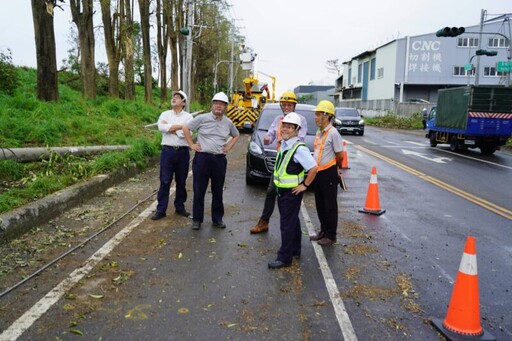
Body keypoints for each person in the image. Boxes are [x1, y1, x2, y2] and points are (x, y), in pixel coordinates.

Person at [250, 91, 308, 234]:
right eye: (284, 105)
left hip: (292, 161)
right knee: (271, 191)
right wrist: (267, 139)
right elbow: (270, 134)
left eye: (289, 105)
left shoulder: (300, 120)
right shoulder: (278, 120)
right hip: (280, 160)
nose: (287, 107)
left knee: (290, 200)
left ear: (294, 105)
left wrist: (285, 138)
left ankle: (292, 231)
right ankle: (264, 222)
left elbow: (300, 137)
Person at [182, 92, 240, 230]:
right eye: (216, 103)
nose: (219, 106)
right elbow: (186, 128)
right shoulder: (202, 118)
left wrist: (228, 147)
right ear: (212, 104)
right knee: (199, 190)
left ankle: (217, 219)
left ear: (225, 107)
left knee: (218, 190)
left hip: (219, 160)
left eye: (222, 104)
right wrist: (191, 145)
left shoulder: (228, 122)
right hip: (202, 159)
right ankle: (197, 220)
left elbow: (236, 135)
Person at [268, 112, 318, 269]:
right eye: (284, 126)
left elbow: (313, 168)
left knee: (286, 225)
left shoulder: (298, 148)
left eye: (290, 127)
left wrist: (305, 185)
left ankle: (285, 257)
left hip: (291, 192)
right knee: (293, 221)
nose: (285, 129)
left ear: (297, 130)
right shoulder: (285, 144)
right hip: (283, 190)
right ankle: (295, 250)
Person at [151, 90, 193, 221]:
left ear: (183, 102)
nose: (174, 99)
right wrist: (180, 127)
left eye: (177, 97)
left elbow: (186, 135)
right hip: (167, 151)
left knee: (181, 181)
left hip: (182, 152)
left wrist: (171, 128)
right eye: (173, 97)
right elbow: (161, 128)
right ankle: (161, 209)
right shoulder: (165, 114)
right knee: (165, 180)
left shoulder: (189, 117)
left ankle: (179, 207)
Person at [309, 100, 344, 246]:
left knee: (330, 205)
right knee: (320, 204)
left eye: (318, 114)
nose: (315, 117)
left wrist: (334, 168)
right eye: (316, 114)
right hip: (318, 172)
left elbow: (340, 155)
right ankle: (323, 231)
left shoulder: (333, 133)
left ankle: (331, 235)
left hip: (328, 173)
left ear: (327, 116)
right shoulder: (319, 132)